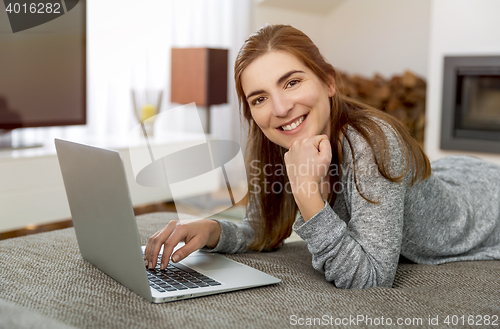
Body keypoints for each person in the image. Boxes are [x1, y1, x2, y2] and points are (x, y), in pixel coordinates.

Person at [144, 24, 500, 289]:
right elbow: (263, 230)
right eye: (259, 98)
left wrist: (306, 194)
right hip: (446, 175)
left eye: (292, 82)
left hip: (485, 204)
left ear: (329, 82)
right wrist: (211, 230)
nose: (280, 108)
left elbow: (370, 279)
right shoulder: (276, 143)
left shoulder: (372, 145)